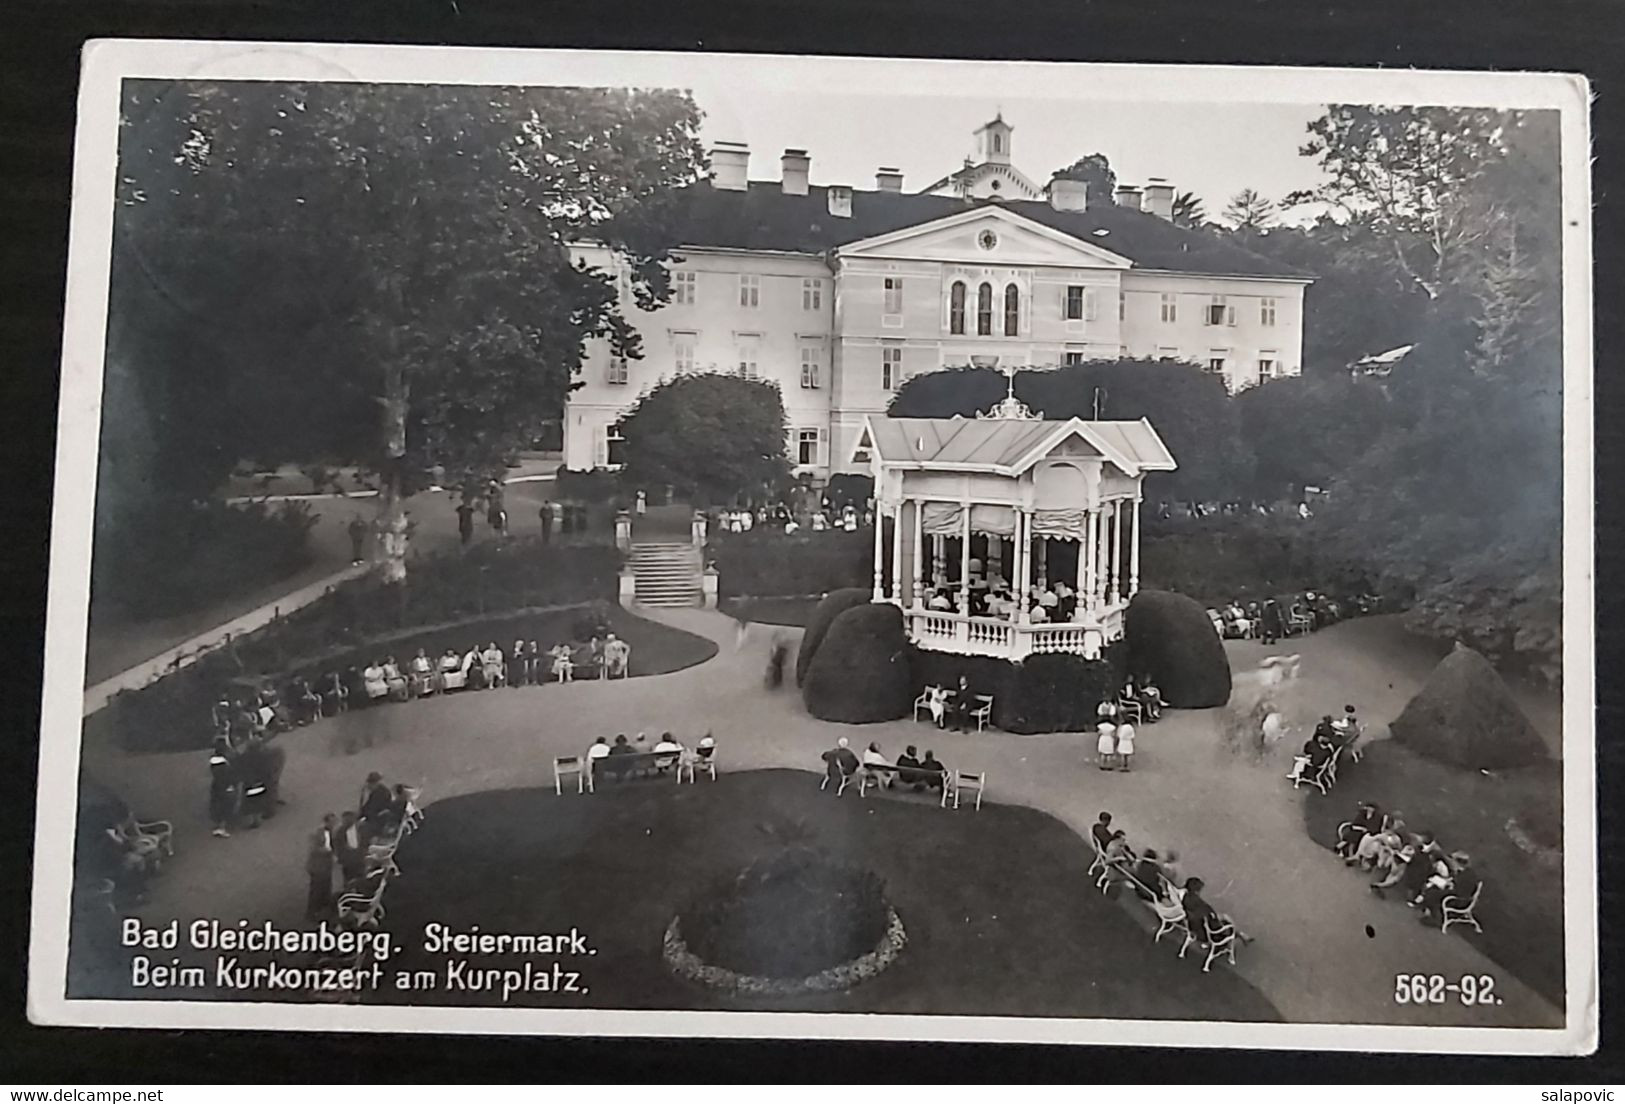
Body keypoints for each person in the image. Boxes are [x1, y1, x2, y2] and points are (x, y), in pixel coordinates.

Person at [1419, 852, 1480, 928]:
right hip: (1457, 894)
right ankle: (1431, 912)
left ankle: (1436, 918)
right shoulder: (1466, 872)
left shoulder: (1466, 875)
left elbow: (1458, 890)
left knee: (1432, 893)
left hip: (1460, 899)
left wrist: (1446, 886)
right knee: (1434, 890)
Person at [306, 817, 337, 920]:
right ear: (326, 822)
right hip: (317, 867)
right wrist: (328, 851)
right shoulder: (317, 833)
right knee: (316, 891)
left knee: (326, 889)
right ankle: (312, 913)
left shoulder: (331, 832)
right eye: (332, 822)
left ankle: (323, 911)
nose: (334, 824)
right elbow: (313, 848)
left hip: (326, 867)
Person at [208, 737, 239, 838]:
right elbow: (228, 775)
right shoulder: (224, 763)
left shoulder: (213, 760)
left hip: (217, 786)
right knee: (225, 806)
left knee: (217, 804)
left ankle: (218, 825)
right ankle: (222, 827)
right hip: (225, 786)